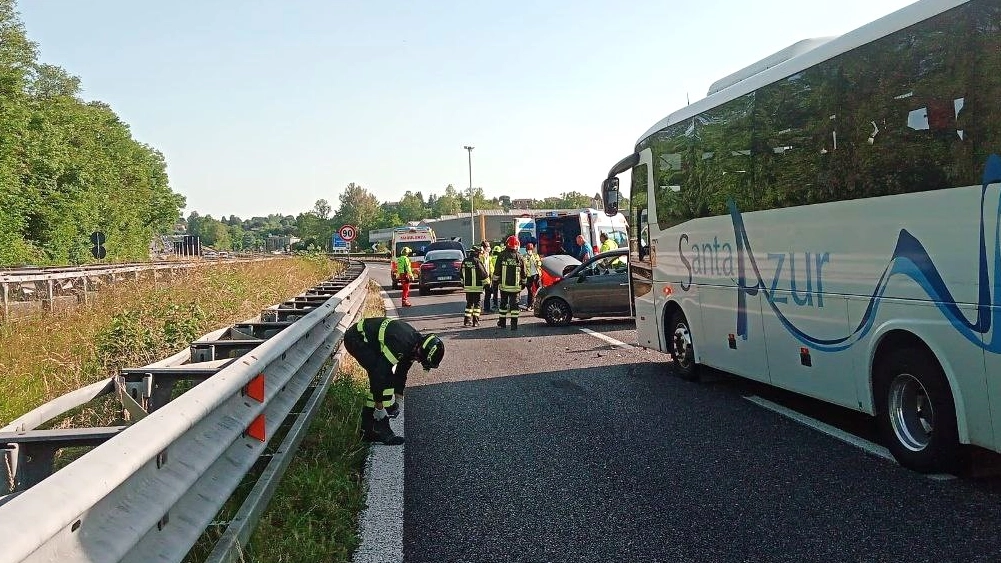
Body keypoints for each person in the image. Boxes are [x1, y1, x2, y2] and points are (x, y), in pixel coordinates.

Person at [344, 316, 444, 445]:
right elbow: (379, 374)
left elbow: (401, 373)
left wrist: (399, 398)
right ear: (422, 352)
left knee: (386, 379)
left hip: (367, 340)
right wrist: (380, 407)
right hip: (356, 339)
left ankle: (367, 429)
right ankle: (382, 428)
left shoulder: (414, 345)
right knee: (385, 380)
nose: (419, 362)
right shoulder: (401, 344)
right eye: (422, 360)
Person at [493, 235, 527, 330]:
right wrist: (523, 284)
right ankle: (514, 325)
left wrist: (495, 283)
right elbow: (524, 273)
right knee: (514, 306)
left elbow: (497, 272)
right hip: (516, 288)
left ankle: (502, 323)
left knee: (503, 304)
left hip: (504, 287)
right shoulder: (520, 257)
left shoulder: (501, 256)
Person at [461, 246, 489, 326]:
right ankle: (475, 321)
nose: (480, 255)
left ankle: (466, 321)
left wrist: (464, 284)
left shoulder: (465, 261)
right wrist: (487, 284)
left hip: (468, 288)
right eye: (479, 253)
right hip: (477, 287)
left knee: (469, 304)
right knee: (477, 304)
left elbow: (461, 274)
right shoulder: (477, 261)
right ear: (476, 253)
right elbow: (483, 274)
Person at [523, 242, 542, 309]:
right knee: (530, 290)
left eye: (530, 250)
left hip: (536, 274)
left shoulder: (535, 255)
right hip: (529, 275)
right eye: (528, 250)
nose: (529, 251)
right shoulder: (525, 257)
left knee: (539, 289)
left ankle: (539, 303)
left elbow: (539, 262)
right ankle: (530, 305)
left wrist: (538, 263)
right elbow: (524, 264)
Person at [480, 241, 494, 313]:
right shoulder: (481, 256)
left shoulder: (488, 256)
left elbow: (490, 266)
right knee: (478, 294)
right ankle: (476, 307)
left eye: (489, 247)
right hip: (481, 277)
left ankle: (487, 308)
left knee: (488, 293)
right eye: (487, 247)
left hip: (488, 277)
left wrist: (492, 275)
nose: (489, 248)